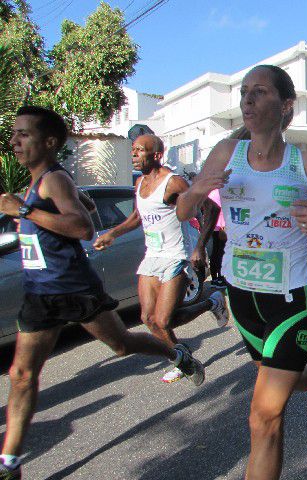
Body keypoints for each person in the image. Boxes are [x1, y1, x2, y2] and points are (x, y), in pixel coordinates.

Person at [175, 65, 307, 480]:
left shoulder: (306, 164)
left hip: (292, 300)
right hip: (241, 297)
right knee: (277, 379)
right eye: (244, 91)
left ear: (285, 106)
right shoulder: (225, 154)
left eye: (259, 92)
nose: (247, 99)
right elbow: (182, 212)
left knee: (263, 417)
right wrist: (195, 190)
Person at [0, 106, 205, 479]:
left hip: (74, 287)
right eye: (14, 133)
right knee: (22, 374)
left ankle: (177, 354)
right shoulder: (38, 183)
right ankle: (10, 462)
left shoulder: (52, 179)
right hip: (38, 292)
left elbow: (80, 227)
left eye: (23, 134)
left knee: (124, 344)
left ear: (48, 142)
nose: (14, 141)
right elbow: (85, 210)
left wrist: (26, 210)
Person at [93, 134, 228, 383]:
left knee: (164, 319)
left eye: (139, 150)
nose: (133, 155)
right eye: (132, 150)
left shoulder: (173, 182)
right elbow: (137, 216)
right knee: (148, 319)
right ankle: (183, 357)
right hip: (152, 256)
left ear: (156, 155)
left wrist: (199, 246)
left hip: (175, 256)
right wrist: (113, 233)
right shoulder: (140, 183)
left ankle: (212, 304)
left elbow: (210, 208)